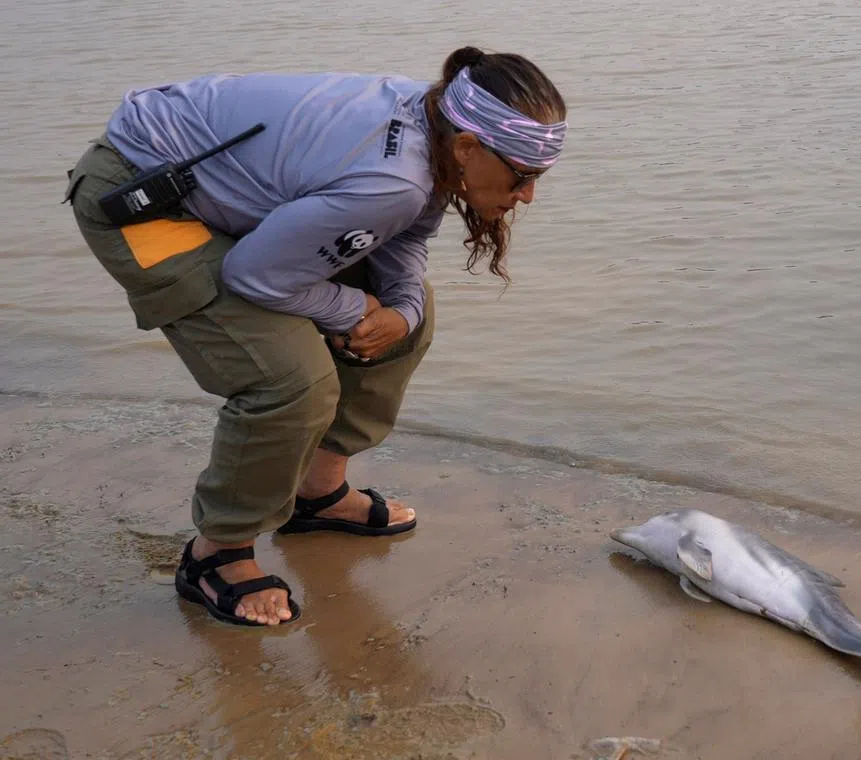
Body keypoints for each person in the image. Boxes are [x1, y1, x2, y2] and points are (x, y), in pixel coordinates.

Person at [63, 47, 568, 627]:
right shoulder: (394, 177)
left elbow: (402, 237)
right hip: (141, 193)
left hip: (223, 195)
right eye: (524, 176)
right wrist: (350, 306)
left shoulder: (435, 120)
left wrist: (398, 313)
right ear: (467, 149)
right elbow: (253, 275)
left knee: (411, 311)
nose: (527, 195)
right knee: (290, 377)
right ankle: (216, 554)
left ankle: (316, 494)